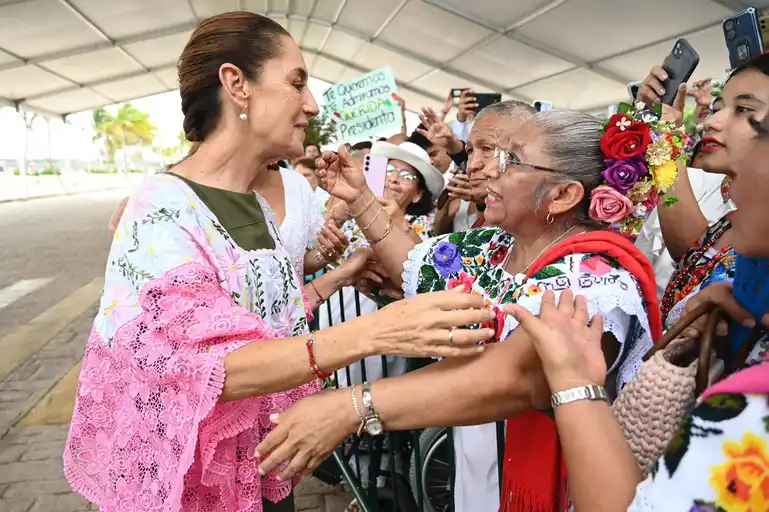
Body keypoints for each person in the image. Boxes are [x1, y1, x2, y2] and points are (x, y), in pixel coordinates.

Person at [62, 12, 496, 512]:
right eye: (296, 83)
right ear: (236, 85)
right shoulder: (162, 206)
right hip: (192, 485)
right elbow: (206, 368)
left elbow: (274, 328)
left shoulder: (255, 205)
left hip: (257, 473)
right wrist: (376, 333)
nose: (311, 105)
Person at [255, 106, 664, 512]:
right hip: (476, 469)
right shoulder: (496, 246)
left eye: (509, 159)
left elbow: (518, 376)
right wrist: (360, 198)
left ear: (562, 195)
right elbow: (416, 265)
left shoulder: (595, 276)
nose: (486, 171)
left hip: (556, 486)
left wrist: (353, 406)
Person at [504, 53, 769, 512]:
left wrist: (575, 383)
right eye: (721, 104)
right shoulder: (739, 236)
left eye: (748, 113)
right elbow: (693, 248)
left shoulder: (750, 414)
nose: (713, 118)